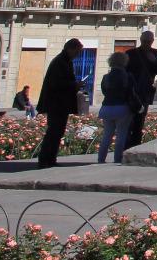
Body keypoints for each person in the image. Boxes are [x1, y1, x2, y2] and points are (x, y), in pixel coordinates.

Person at [36, 39, 84, 167]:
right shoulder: (60, 62)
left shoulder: (65, 61)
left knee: (57, 131)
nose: (77, 55)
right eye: (77, 52)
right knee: (54, 131)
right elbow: (56, 83)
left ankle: (50, 159)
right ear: (70, 49)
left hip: (60, 103)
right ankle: (45, 159)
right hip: (56, 103)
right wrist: (74, 85)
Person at [124, 30, 157, 149]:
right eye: (144, 41)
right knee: (127, 123)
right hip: (130, 93)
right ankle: (126, 149)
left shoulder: (156, 54)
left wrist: (155, 62)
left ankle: (134, 148)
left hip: (144, 94)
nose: (146, 44)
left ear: (152, 41)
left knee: (138, 124)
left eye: (148, 42)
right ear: (140, 40)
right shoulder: (130, 53)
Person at [95, 52, 134, 164]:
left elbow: (104, 92)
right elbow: (131, 92)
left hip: (106, 107)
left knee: (107, 135)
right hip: (122, 107)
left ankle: (101, 159)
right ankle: (118, 159)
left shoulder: (106, 77)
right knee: (121, 135)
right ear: (124, 62)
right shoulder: (128, 76)